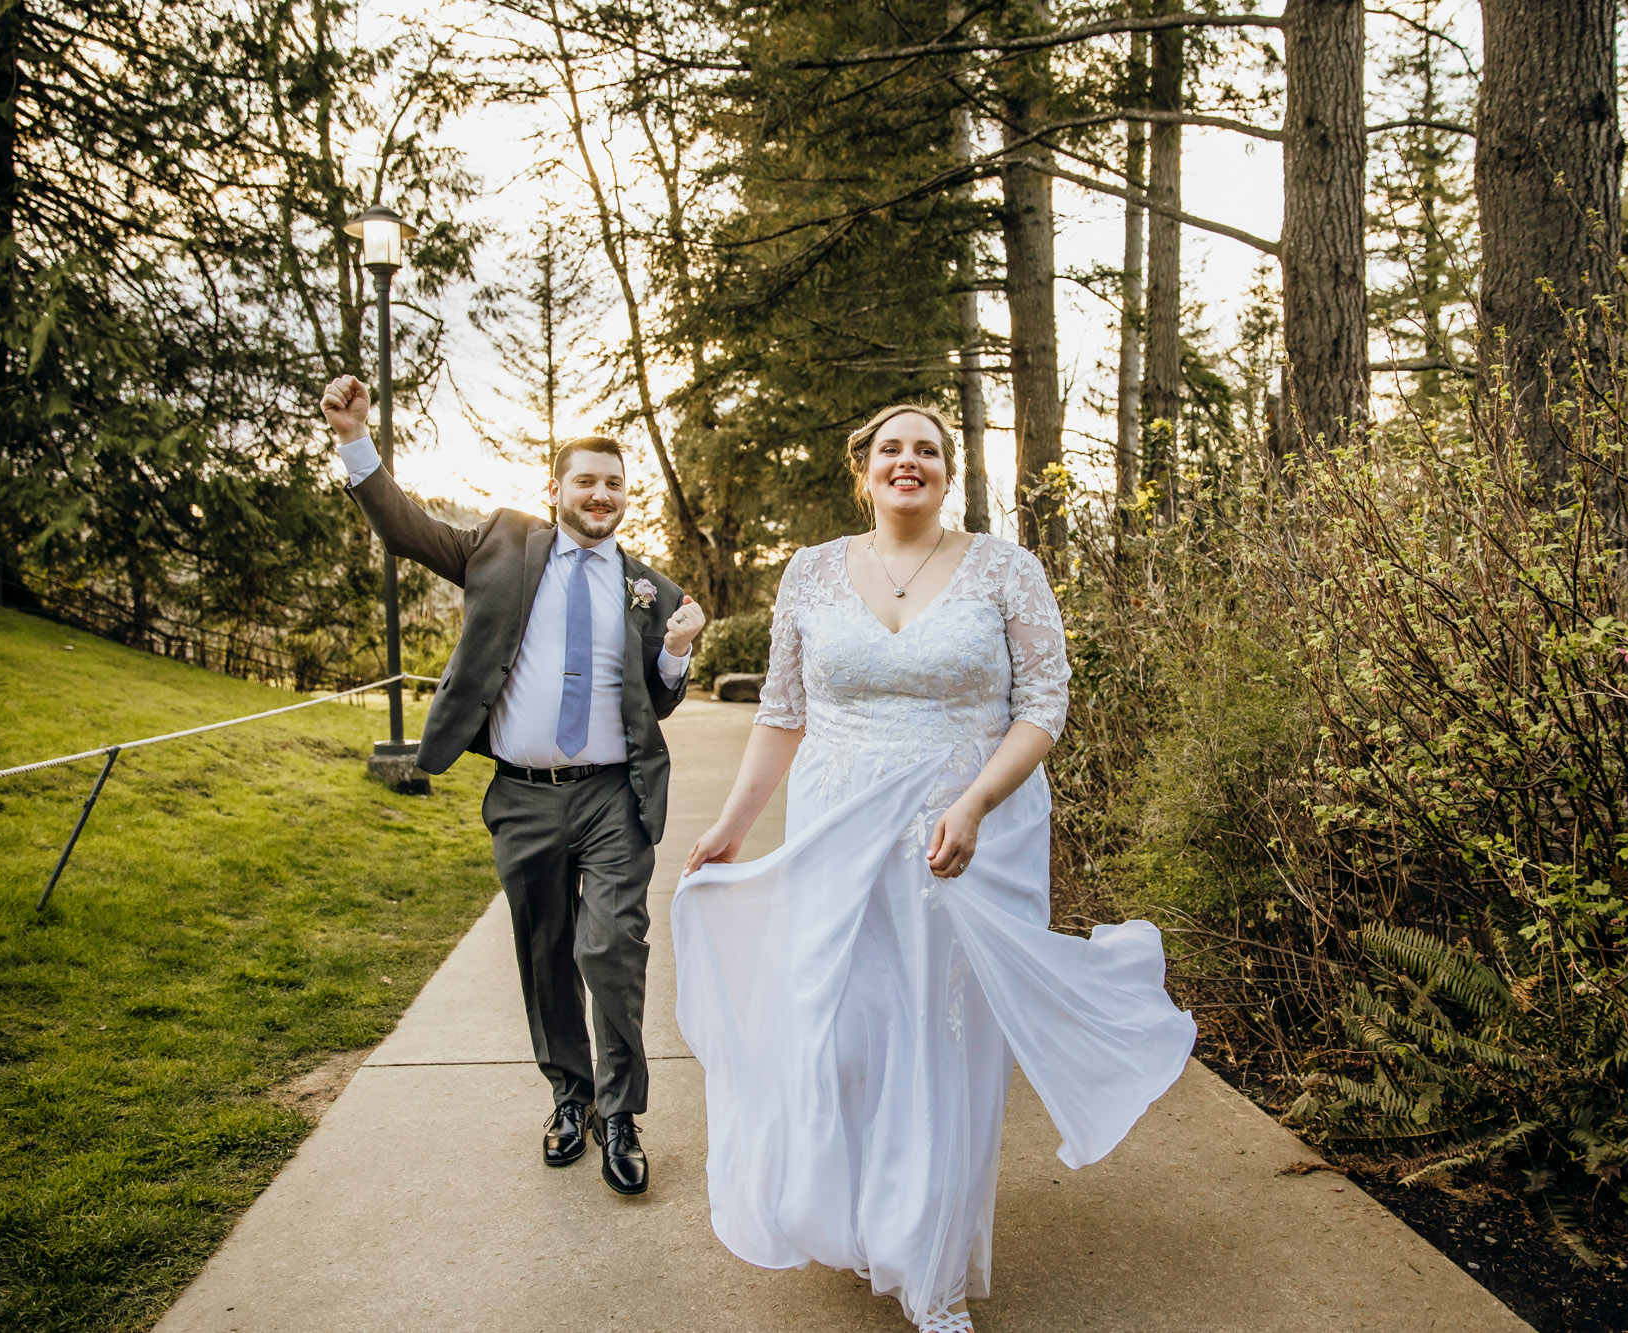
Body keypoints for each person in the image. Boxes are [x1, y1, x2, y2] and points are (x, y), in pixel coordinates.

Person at [673, 404, 1195, 1331]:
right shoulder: (808, 572)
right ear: (862, 469)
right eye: (890, 449)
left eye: (927, 450)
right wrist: (730, 826)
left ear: (948, 473)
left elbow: (1043, 705)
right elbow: (783, 714)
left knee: (942, 1042)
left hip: (963, 843)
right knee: (843, 1036)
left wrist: (976, 803)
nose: (907, 461)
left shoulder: (1005, 569)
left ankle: (934, 1267)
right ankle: (869, 1219)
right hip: (838, 837)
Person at [319, 374, 705, 1196]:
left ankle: (621, 1112)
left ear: (625, 497)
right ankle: (570, 1096)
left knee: (610, 948)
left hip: (613, 797)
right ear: (557, 488)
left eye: (614, 484)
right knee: (545, 951)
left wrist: (676, 649)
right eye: (586, 480)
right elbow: (405, 528)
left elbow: (660, 699)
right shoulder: (501, 543)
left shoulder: (653, 590)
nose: (600, 495)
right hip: (524, 794)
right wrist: (356, 437)